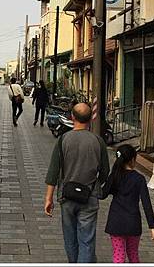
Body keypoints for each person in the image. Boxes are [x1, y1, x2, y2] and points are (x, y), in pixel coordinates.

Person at [44, 103, 109, 263]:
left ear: (72, 117)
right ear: (90, 119)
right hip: (90, 195)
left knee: (70, 238)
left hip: (67, 196)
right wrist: (96, 184)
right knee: (86, 240)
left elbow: (53, 171)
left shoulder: (63, 139)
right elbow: (105, 171)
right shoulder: (98, 141)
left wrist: (48, 198)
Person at [101, 144, 154, 263]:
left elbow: (102, 194)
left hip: (115, 222)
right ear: (132, 160)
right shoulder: (139, 178)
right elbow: (146, 203)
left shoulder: (114, 176)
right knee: (133, 255)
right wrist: (152, 226)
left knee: (118, 255)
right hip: (133, 223)